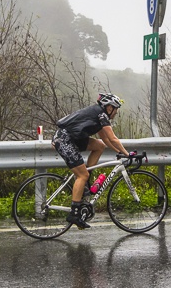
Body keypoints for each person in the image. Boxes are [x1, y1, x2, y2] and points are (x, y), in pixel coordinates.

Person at [52, 93, 132, 229]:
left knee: (99, 146)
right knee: (82, 175)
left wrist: (118, 152)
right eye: (115, 109)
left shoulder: (98, 115)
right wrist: (127, 154)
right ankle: (75, 213)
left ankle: (86, 183)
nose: (116, 112)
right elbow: (113, 138)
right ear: (108, 108)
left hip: (72, 138)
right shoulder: (101, 115)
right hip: (64, 140)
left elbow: (106, 140)